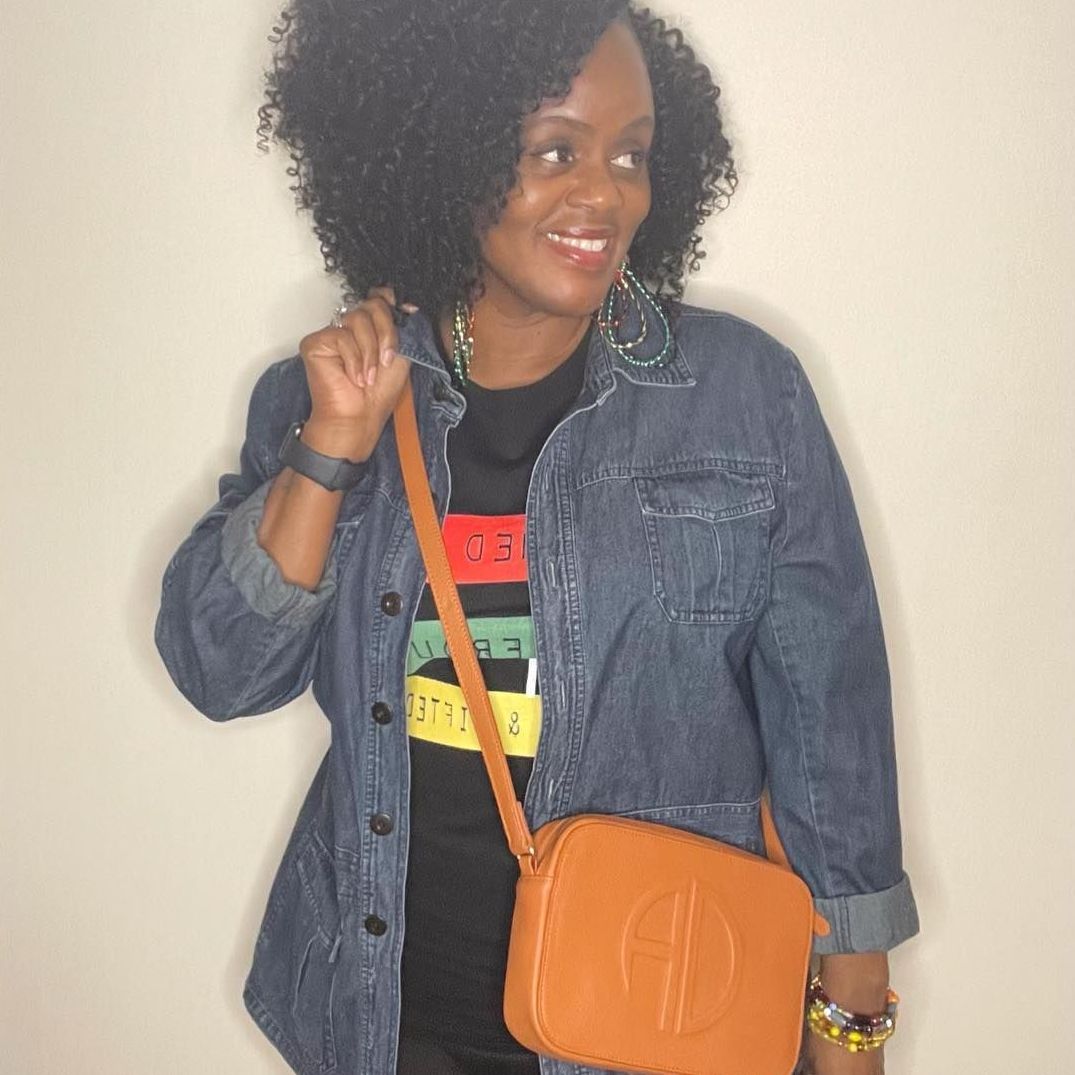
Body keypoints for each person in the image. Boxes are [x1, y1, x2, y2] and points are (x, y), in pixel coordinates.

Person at [155, 2, 919, 1073]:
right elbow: (221, 671)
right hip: (382, 1015)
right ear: (443, 155)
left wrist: (850, 1023)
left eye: (632, 155)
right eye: (553, 150)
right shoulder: (323, 393)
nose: (604, 195)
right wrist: (333, 443)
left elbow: (829, 727)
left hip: (654, 1025)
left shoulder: (741, 397)